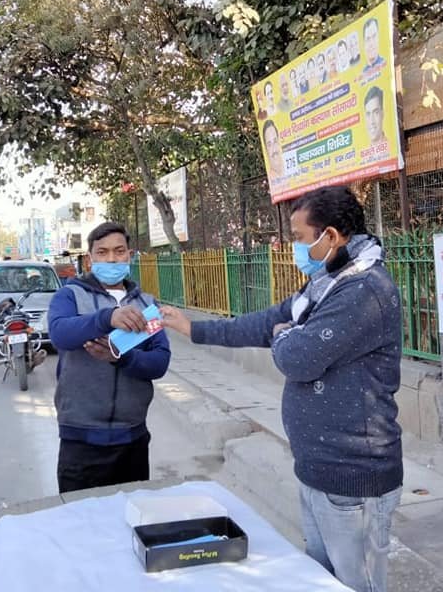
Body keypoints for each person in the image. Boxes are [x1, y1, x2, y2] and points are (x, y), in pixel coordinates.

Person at [161, 187, 402, 592]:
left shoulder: (363, 290)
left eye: (297, 236)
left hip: (352, 475)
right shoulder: (326, 283)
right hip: (318, 468)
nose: (291, 246)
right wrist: (193, 328)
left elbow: (297, 358)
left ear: (330, 235)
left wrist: (285, 337)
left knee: (355, 583)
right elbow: (268, 323)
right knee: (323, 580)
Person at [47, 222, 171, 493]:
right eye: (102, 252)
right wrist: (107, 318)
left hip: (133, 437)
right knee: (82, 522)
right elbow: (60, 334)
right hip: (80, 438)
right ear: (90, 258)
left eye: (119, 251)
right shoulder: (70, 295)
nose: (112, 259)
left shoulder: (147, 305)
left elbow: (160, 361)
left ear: (130, 255)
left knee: (131, 518)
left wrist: (122, 358)